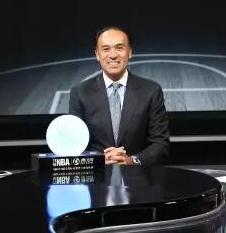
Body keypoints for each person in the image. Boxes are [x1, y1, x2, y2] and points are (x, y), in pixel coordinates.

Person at [69, 27, 170, 165]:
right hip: (97, 175)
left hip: (138, 175)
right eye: (106, 49)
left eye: (119, 48)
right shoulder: (80, 92)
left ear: (130, 52)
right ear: (97, 54)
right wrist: (99, 161)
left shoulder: (151, 90)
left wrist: (132, 160)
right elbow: (74, 144)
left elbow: (160, 144)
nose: (113, 55)